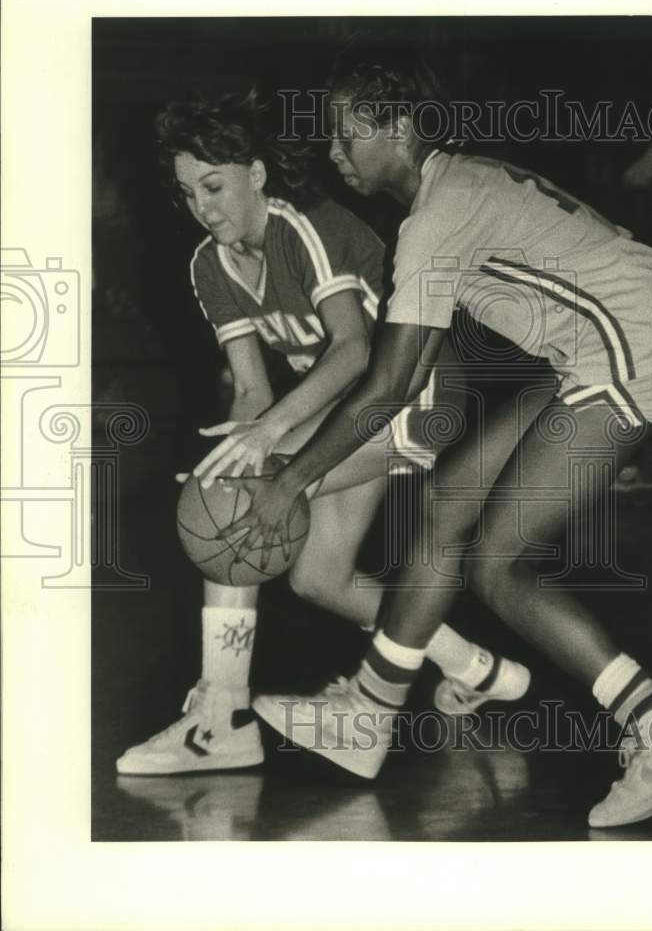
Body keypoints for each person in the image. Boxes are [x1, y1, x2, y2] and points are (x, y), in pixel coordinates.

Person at [217, 44, 652, 828]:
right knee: (449, 499)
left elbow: (389, 386)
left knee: (498, 563)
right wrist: (303, 467)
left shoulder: (433, 218)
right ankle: (370, 713)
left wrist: (292, 477)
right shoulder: (454, 191)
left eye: (345, 135)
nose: (334, 154)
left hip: (636, 347)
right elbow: (407, 375)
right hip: (608, 344)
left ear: (396, 128)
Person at [116, 90, 530, 777]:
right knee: (318, 578)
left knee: (239, 503)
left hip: (418, 391)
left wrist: (264, 447)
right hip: (351, 411)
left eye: (214, 185)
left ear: (256, 172)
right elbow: (251, 389)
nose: (203, 206)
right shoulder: (207, 266)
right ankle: (480, 670)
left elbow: (354, 351)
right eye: (188, 193)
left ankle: (222, 714)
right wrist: (242, 444)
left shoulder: (304, 225)